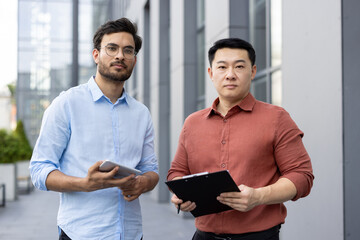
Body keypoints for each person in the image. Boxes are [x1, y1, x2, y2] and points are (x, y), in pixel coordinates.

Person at [167, 38, 314, 240]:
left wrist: (258, 196)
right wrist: (181, 195)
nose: (230, 75)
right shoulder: (192, 123)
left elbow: (301, 176)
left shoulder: (277, 118)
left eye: (239, 66)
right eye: (222, 67)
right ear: (211, 73)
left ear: (252, 72)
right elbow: (177, 172)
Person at [30, 18, 159, 240]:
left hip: (131, 233)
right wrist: (85, 184)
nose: (120, 55)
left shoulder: (141, 113)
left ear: (134, 60)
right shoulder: (66, 104)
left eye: (128, 50)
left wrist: (143, 183)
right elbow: (39, 170)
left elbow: (151, 169)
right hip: (80, 233)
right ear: (96, 55)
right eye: (112, 48)